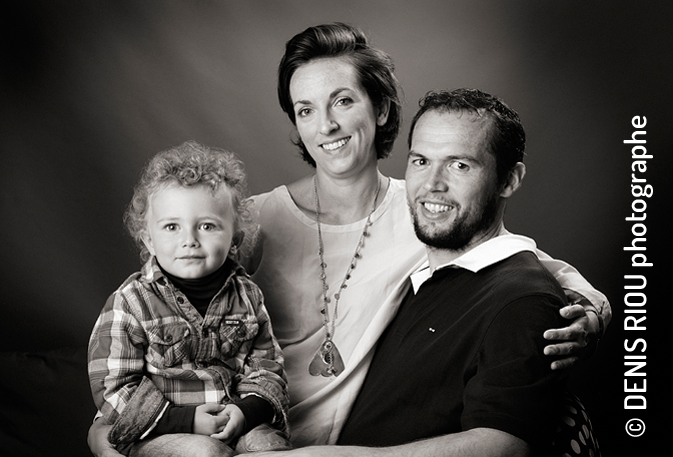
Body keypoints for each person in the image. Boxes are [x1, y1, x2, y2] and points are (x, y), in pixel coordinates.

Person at [88, 23, 610, 455]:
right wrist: (106, 433)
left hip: (342, 447)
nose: (326, 125)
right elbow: (152, 305)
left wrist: (593, 310)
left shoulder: (428, 208)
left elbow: (526, 263)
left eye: (342, 101)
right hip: (239, 432)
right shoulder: (250, 221)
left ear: (379, 109)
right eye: (306, 109)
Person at [255, 88, 586, 456]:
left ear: (509, 180)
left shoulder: (520, 301)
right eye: (421, 161)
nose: (432, 185)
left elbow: (503, 446)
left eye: (460, 165)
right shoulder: (426, 272)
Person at [87, 142, 292, 456]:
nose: (189, 240)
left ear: (235, 239)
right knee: (206, 452)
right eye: (171, 226)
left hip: (230, 419)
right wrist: (185, 419)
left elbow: (267, 367)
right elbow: (113, 388)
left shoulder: (247, 296)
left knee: (269, 447)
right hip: (155, 430)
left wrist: (246, 411)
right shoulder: (130, 303)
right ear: (149, 241)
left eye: (207, 226)